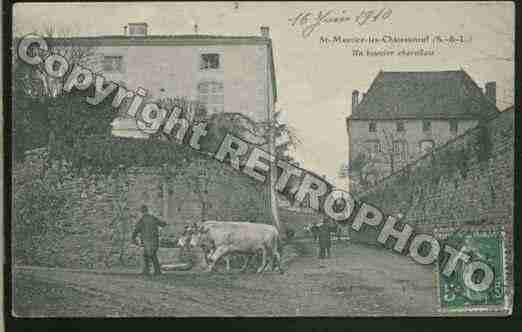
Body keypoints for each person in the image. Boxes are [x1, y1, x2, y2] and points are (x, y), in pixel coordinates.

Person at [132, 205, 167, 275]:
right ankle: (155, 271)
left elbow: (136, 230)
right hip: (154, 239)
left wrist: (133, 237)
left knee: (148, 255)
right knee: (151, 255)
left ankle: (150, 271)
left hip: (147, 240)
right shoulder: (153, 218)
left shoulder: (142, 220)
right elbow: (163, 224)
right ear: (147, 210)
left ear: (141, 211)